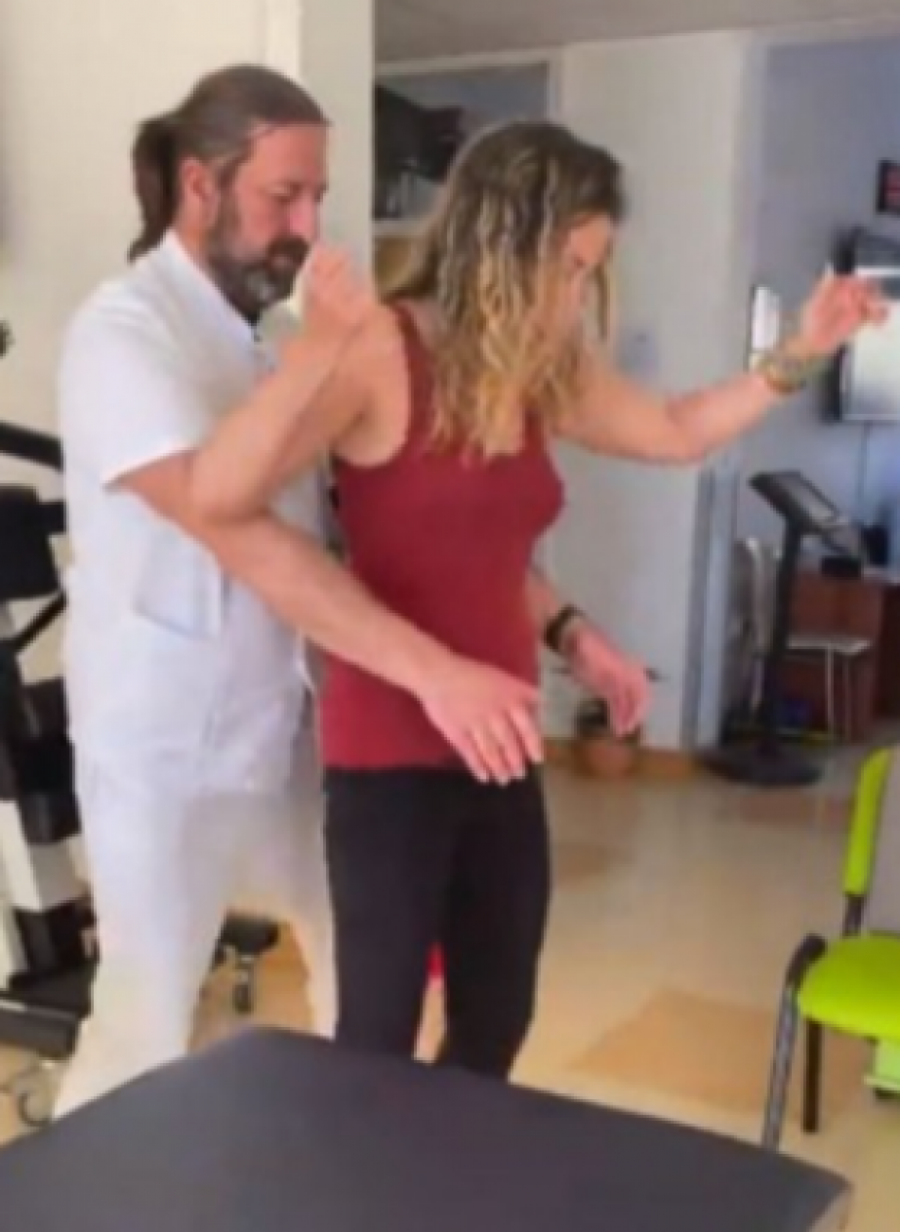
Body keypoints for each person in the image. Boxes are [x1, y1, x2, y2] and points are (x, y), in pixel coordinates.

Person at [154, 117, 886, 1083]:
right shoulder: (383, 348)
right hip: (390, 751)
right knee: (376, 1038)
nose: (579, 294)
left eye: (591, 271)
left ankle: (444, 1170)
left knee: (498, 1015)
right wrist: (318, 349)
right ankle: (363, 1181)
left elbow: (672, 431)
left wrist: (803, 348)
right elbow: (217, 497)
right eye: (570, 267)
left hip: (501, 740)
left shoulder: (537, 370)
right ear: (507, 243)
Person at [53, 67, 549, 1117]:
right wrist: (436, 673)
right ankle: (75, 1207)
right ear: (201, 185)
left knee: (364, 992)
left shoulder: (272, 343)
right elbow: (233, 529)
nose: (310, 227)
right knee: (143, 1020)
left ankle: (352, 1183)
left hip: (294, 719)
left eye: (318, 196)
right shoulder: (122, 334)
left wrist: (558, 625)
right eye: (285, 196)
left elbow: (361, 529)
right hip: (164, 741)